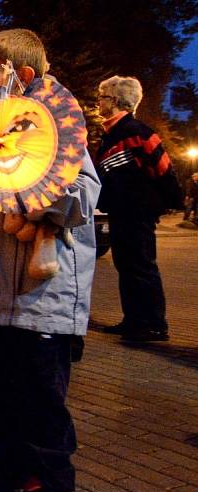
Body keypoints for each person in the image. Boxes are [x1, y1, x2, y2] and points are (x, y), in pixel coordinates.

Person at [0, 29, 100, 492]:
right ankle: (11, 468)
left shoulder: (56, 130)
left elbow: (82, 197)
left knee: (40, 394)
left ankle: (52, 486)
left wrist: (37, 188)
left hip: (44, 296)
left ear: (23, 77)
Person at [96, 76, 174, 342]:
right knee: (125, 264)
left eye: (102, 97)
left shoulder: (137, 132)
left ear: (115, 101)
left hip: (137, 212)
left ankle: (154, 324)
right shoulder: (110, 135)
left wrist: (160, 204)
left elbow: (163, 169)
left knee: (141, 265)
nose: (98, 102)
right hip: (120, 211)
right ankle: (133, 320)